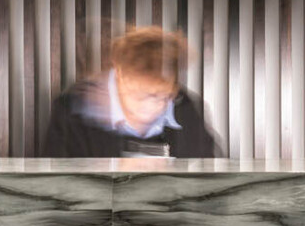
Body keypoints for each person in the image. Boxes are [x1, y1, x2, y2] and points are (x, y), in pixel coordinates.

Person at [42, 26, 220, 158]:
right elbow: (59, 190)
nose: (152, 107)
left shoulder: (187, 108)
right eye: (141, 96)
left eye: (163, 97)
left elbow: (210, 179)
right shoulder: (73, 110)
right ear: (120, 74)